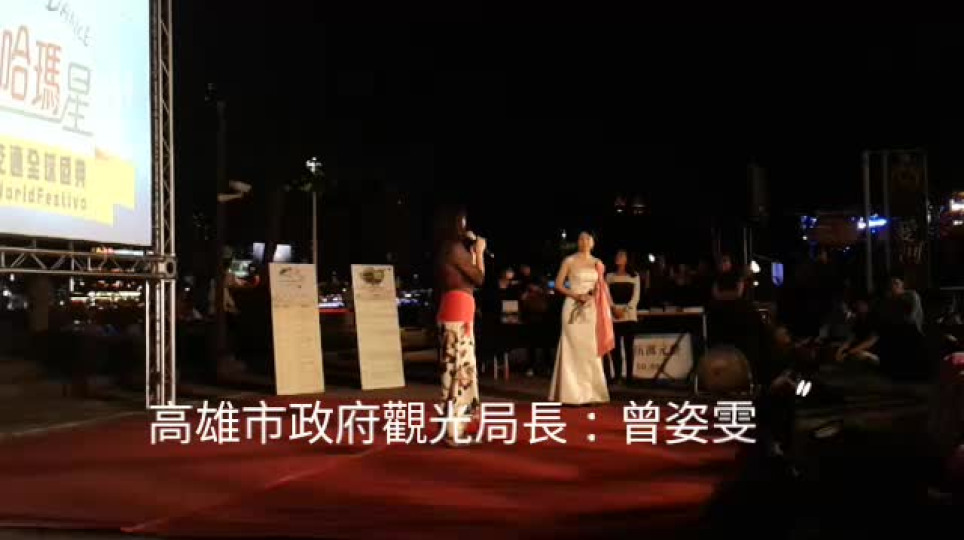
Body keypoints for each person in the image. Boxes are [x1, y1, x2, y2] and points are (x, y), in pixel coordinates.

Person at [434, 205, 486, 446]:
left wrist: (473, 253)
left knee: (454, 370)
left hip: (454, 310)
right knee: (460, 370)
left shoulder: (448, 249)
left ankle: (452, 427)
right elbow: (478, 278)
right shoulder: (455, 249)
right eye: (462, 222)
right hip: (458, 313)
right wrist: (480, 252)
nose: (465, 227)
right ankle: (454, 430)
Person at [548, 232, 614, 405]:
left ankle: (592, 394)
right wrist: (576, 295)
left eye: (587, 239)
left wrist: (597, 297)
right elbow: (558, 284)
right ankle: (570, 394)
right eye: (581, 238)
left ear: (593, 242)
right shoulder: (569, 261)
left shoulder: (598, 263)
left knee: (590, 349)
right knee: (571, 348)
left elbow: (602, 286)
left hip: (591, 308)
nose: (584, 241)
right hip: (572, 306)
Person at [606, 250, 641, 384]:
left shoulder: (634, 276)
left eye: (621, 256)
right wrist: (613, 308)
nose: (618, 257)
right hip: (613, 315)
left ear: (627, 259)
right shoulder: (609, 276)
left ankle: (629, 377)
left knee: (628, 347)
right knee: (615, 349)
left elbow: (636, 297)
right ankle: (617, 376)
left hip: (629, 316)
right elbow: (606, 295)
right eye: (617, 255)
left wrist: (625, 309)